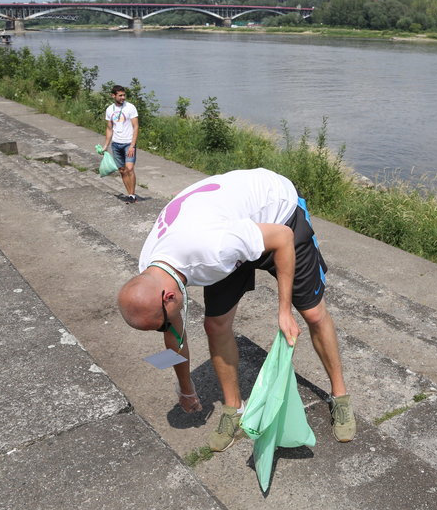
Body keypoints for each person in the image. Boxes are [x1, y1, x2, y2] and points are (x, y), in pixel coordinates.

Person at [118, 168, 356, 452]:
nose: (166, 328)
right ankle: (235, 408)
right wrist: (185, 387)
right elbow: (173, 333)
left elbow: (282, 237)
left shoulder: (213, 249)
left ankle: (340, 395)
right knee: (215, 325)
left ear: (169, 297)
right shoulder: (150, 271)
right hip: (230, 224)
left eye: (163, 323)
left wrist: (283, 311)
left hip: (278, 214)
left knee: (313, 313)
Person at [101, 85, 139, 203]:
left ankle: (132, 195)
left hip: (128, 143)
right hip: (116, 144)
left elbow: (136, 126)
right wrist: (106, 145)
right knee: (122, 170)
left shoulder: (130, 108)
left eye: (124, 95)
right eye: (120, 95)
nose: (123, 97)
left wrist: (132, 145)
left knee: (129, 168)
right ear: (113, 96)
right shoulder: (109, 110)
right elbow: (109, 128)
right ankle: (129, 194)